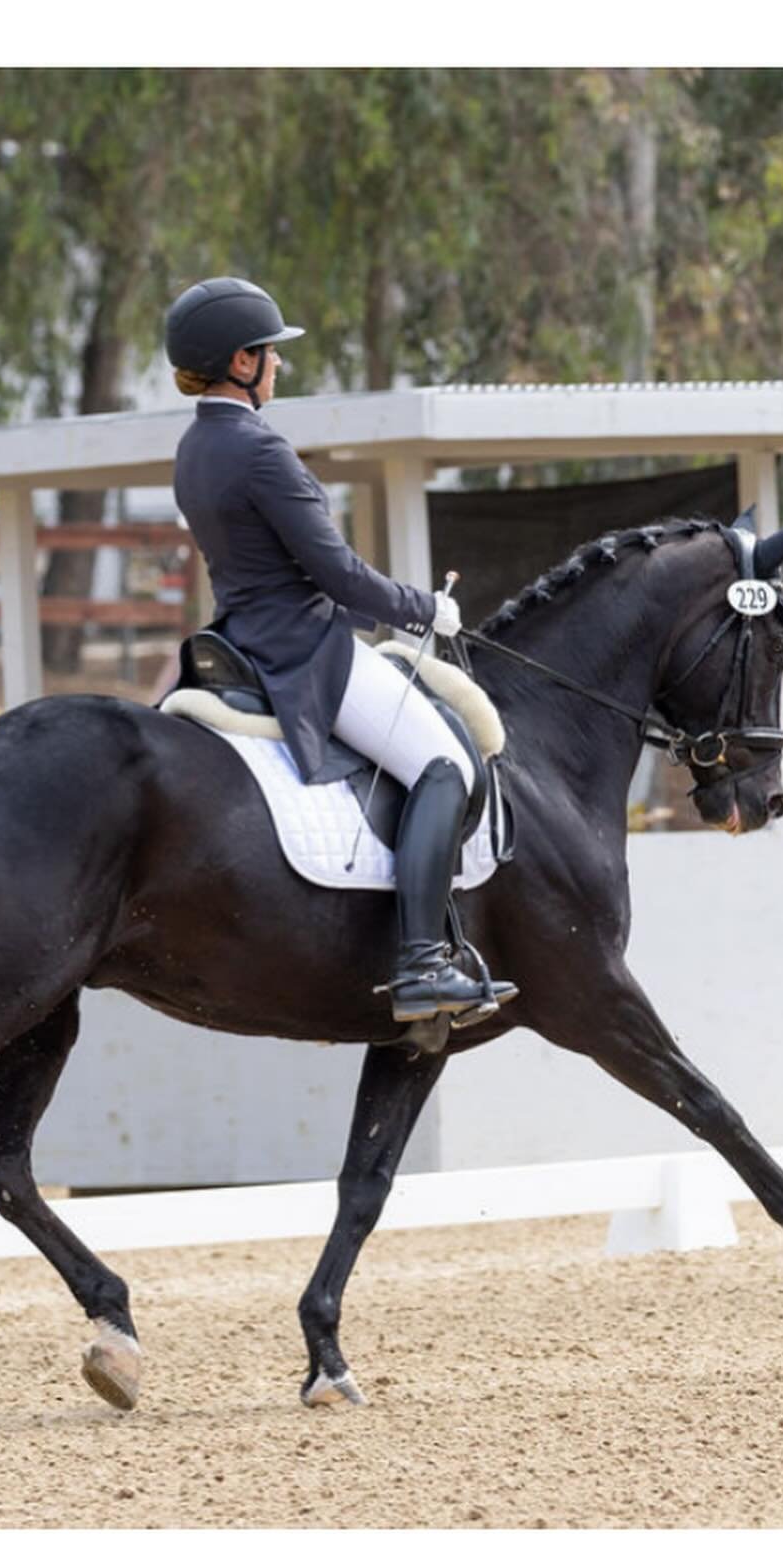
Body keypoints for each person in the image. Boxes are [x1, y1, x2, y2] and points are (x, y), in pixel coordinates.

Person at [167, 276, 517, 1025]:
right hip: (304, 647)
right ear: (239, 362)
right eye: (269, 353)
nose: (279, 366)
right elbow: (340, 577)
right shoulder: (261, 450)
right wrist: (428, 608)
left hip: (240, 639)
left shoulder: (195, 446)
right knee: (445, 764)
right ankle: (423, 961)